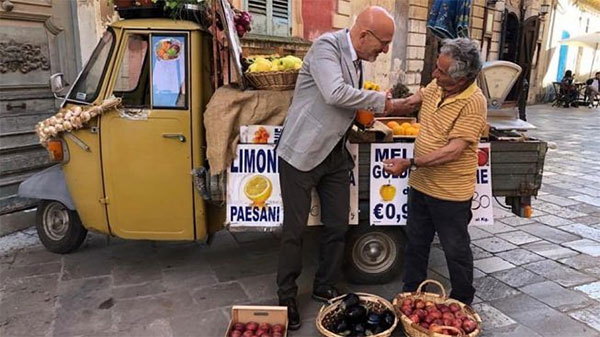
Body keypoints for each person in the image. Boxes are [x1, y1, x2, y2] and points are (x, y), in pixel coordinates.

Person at [275, 6, 414, 329]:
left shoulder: (358, 60)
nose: (385, 49)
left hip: (336, 153)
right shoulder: (326, 47)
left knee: (338, 225)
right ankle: (287, 296)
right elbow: (335, 93)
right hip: (302, 153)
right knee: (293, 233)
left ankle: (324, 284)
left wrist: (366, 118)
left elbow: (346, 106)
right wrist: (387, 104)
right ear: (364, 35)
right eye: (383, 42)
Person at [383, 38, 487, 306]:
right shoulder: (438, 85)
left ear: (461, 78)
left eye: (440, 71)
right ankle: (410, 295)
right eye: (437, 68)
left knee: (455, 249)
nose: (434, 74)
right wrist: (376, 104)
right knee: (416, 243)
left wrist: (411, 162)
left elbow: (453, 150)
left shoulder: (474, 101)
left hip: (450, 193)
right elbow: (410, 102)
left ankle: (462, 300)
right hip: (421, 186)